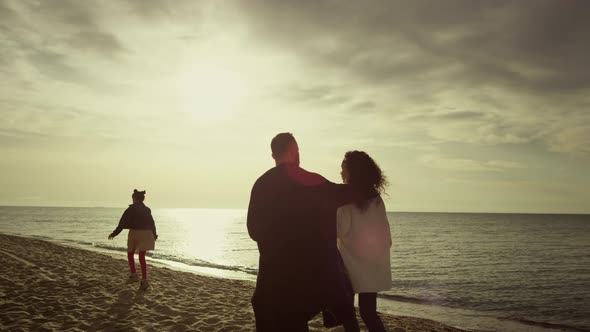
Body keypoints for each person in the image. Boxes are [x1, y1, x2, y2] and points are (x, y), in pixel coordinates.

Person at [247, 133, 360, 332]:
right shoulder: (311, 180)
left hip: (274, 280)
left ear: (273, 155)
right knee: (337, 307)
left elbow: (254, 230)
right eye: (297, 150)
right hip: (314, 278)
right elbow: (351, 193)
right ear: (293, 150)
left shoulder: (261, 184)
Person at [336, 151, 392, 332]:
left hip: (350, 263)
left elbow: (340, 229)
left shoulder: (346, 198)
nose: (340, 172)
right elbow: (385, 232)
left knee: (348, 312)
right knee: (368, 312)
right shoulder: (376, 198)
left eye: (343, 168)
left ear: (353, 171)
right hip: (372, 262)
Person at [108, 189, 158, 291]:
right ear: (142, 199)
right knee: (142, 257)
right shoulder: (147, 210)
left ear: (134, 198)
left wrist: (115, 233)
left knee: (130, 254)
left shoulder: (130, 209)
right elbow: (152, 223)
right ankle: (144, 281)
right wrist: (154, 234)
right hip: (146, 233)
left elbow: (122, 223)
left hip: (135, 232)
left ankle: (134, 274)